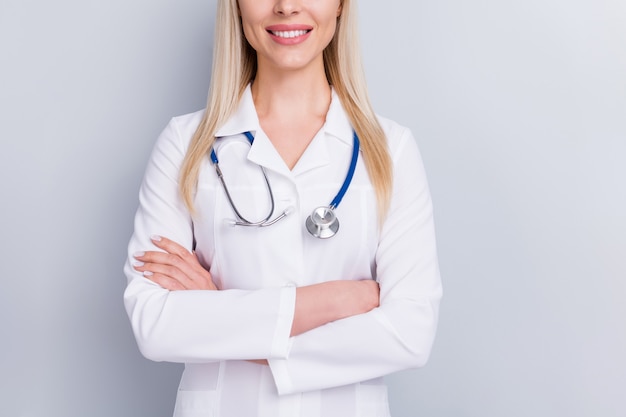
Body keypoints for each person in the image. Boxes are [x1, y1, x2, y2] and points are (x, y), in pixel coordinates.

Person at [123, 0, 442, 415]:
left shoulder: (390, 149)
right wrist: (335, 300)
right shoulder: (185, 144)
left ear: (342, 5)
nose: (287, 6)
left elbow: (410, 334)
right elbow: (155, 324)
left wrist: (220, 316)